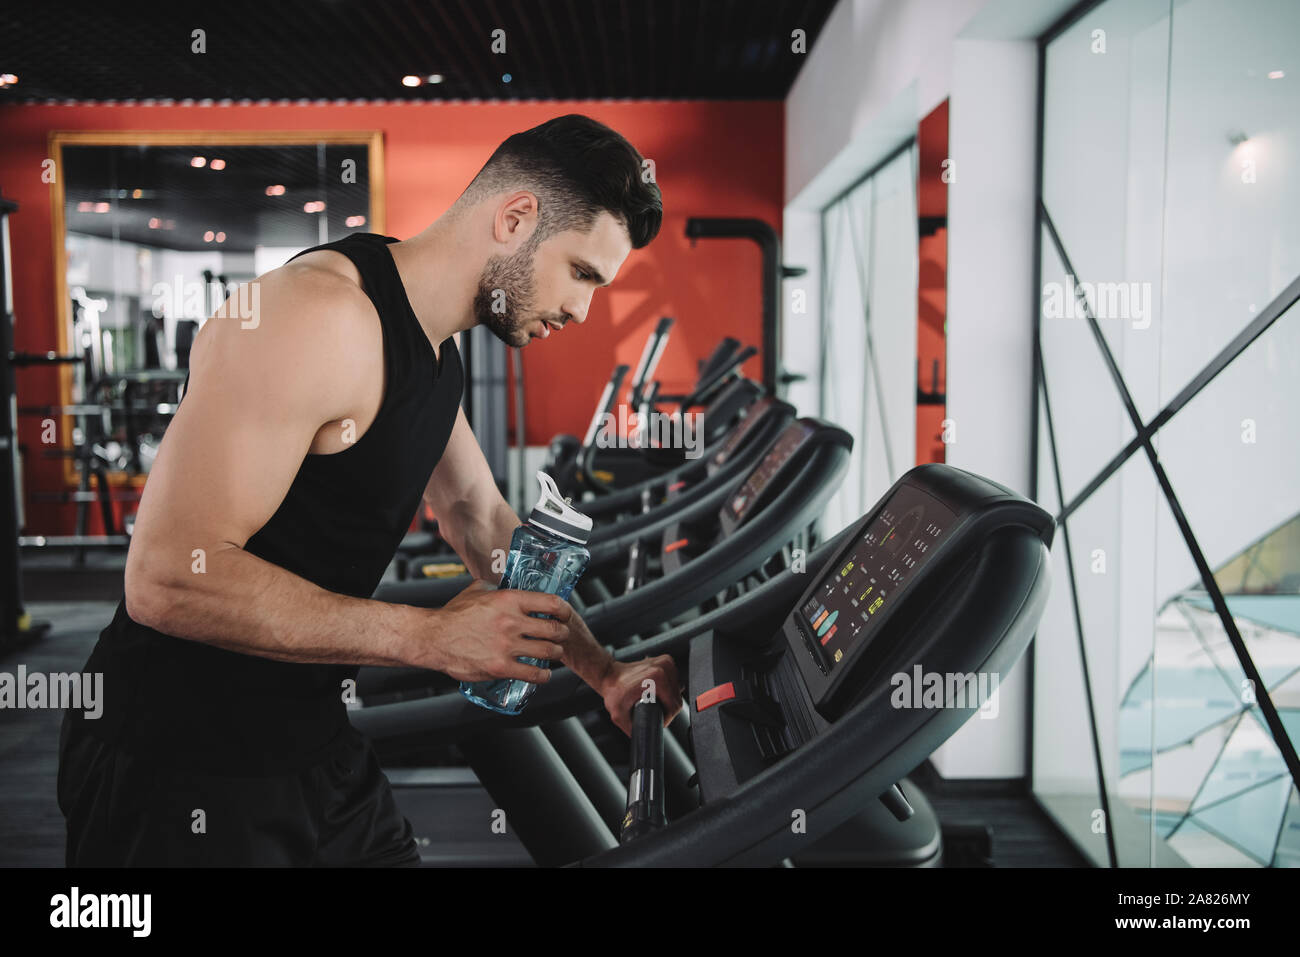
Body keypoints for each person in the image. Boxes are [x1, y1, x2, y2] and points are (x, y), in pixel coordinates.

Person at [57, 114, 682, 867]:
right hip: (175, 763)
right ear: (516, 218)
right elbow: (163, 576)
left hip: (311, 743)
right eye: (582, 273)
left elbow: (478, 517)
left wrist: (604, 671)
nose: (583, 311)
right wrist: (430, 637)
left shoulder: (435, 343)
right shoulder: (318, 319)